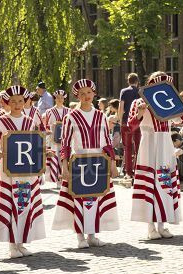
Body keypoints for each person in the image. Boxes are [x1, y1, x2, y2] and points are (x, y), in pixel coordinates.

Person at [53, 79, 119, 248]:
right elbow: (65, 143)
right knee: (79, 199)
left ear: (94, 94)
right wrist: (64, 166)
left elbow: (107, 142)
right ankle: (80, 237)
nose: (86, 96)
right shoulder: (71, 117)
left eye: (89, 92)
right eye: (82, 94)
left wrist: (112, 164)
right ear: (77, 96)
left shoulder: (101, 116)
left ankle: (92, 235)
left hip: (98, 161)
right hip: (79, 161)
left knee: (95, 198)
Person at [0, 85, 46, 258]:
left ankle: (22, 242)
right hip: (8, 170)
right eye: (13, 101)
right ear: (7, 102)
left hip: (27, 170)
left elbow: (35, 143)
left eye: (20, 101)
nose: (17, 104)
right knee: (10, 203)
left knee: (25, 203)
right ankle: (12, 245)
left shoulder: (30, 121)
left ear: (26, 102)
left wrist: (42, 156)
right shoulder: (0, 121)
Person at [128, 72, 181, 239]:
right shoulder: (139, 102)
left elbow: (181, 119)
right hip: (149, 142)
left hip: (165, 142)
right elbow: (131, 125)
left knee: (164, 181)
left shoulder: (168, 102)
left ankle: (162, 224)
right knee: (149, 182)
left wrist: (181, 103)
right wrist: (140, 113)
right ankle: (150, 226)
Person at [45, 89, 70, 187]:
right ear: (55, 99)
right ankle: (56, 179)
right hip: (53, 139)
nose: (60, 99)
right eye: (58, 98)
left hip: (65, 139)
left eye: (62, 98)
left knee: (64, 157)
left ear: (64, 99)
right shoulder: (49, 111)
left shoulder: (68, 111)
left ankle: (63, 179)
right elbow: (46, 126)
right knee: (56, 157)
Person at [118, 73, 141, 180]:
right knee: (138, 147)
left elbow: (121, 107)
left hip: (126, 121)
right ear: (137, 82)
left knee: (127, 147)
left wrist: (119, 120)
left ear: (128, 81)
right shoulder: (141, 91)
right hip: (138, 121)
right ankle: (138, 169)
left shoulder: (124, 91)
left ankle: (128, 172)